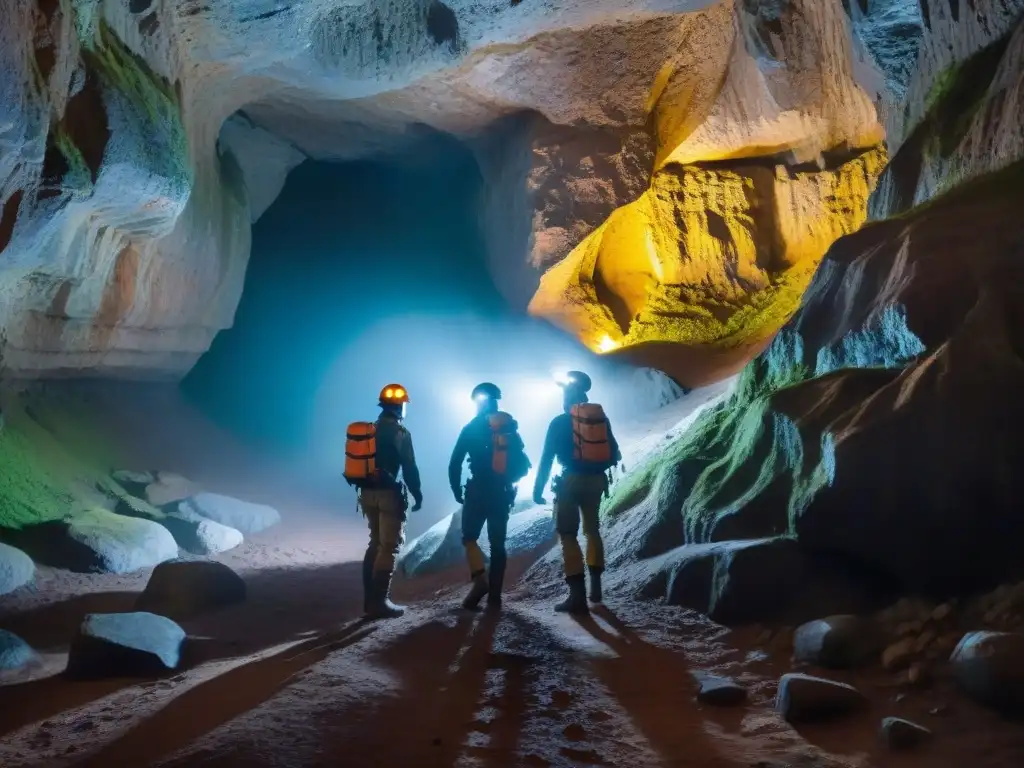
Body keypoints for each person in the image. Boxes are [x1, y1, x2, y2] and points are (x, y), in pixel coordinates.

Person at [533, 370, 620, 614]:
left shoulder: (559, 422)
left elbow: (547, 458)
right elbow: (615, 453)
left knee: (568, 535)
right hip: (596, 481)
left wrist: (538, 488)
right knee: (592, 530)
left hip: (569, 481)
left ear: (565, 399)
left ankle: (577, 596)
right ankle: (596, 589)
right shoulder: (601, 419)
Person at [448, 382, 531, 611]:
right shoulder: (508, 427)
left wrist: (456, 489)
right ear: (497, 400)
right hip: (502, 493)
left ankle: (479, 581)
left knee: (470, 538)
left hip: (476, 492)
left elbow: (455, 462)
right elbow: (522, 461)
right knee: (498, 545)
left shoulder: (471, 427)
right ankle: (495, 598)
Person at [344, 383, 423, 620]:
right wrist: (417, 493)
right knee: (389, 547)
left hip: (366, 494)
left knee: (375, 543)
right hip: (389, 494)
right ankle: (380, 602)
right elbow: (409, 466)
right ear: (400, 407)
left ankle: (370, 601)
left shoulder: (371, 430)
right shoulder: (400, 433)